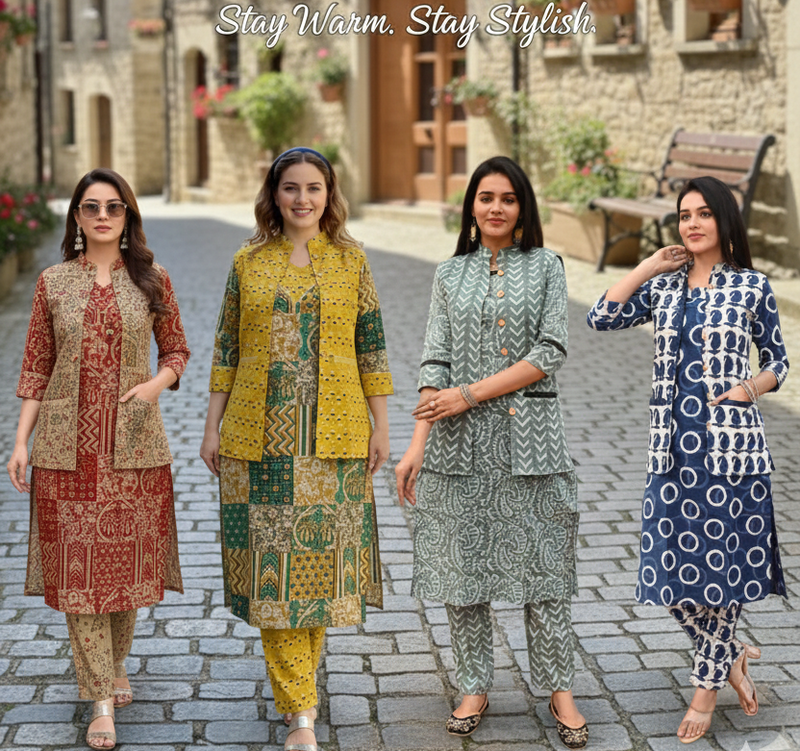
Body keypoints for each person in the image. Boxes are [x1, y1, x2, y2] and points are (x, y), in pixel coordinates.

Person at [200, 147, 393, 751]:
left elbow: (373, 348)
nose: (302, 199)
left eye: (313, 188)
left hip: (332, 438)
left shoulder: (352, 262)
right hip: (260, 444)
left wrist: (382, 427)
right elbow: (226, 348)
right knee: (273, 575)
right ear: (274, 194)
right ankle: (301, 711)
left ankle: (299, 691)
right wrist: (212, 427)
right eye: (291, 188)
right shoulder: (247, 262)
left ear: (329, 194)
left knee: (318, 571)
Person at [395, 156, 588, 750]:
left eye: (507, 198)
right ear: (471, 208)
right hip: (458, 450)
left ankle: (558, 688)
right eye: (485, 198)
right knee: (463, 573)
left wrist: (469, 394)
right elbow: (434, 360)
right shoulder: (451, 274)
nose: (496, 207)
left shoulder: (547, 266)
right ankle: (474, 684)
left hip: (532, 445)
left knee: (546, 570)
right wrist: (416, 446)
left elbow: (551, 349)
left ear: (522, 207)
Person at [587, 175, 788, 743]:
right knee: (668, 576)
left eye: (703, 213)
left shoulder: (752, 286)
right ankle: (729, 656)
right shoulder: (666, 288)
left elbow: (779, 361)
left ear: (725, 221)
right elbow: (601, 316)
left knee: (722, 578)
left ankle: (705, 688)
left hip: (732, 451)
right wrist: (648, 266)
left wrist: (751, 388)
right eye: (684, 215)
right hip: (671, 450)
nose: (692, 223)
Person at [6, 168, 190, 750]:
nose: (104, 216)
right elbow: (36, 364)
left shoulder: (153, 279)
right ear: (78, 218)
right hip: (67, 453)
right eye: (92, 207)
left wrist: (154, 386)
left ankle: (114, 662)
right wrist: (19, 442)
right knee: (78, 571)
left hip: (135, 447)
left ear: (129, 217)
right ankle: (100, 700)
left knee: (128, 569)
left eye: (115, 207)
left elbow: (178, 350)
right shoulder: (53, 283)